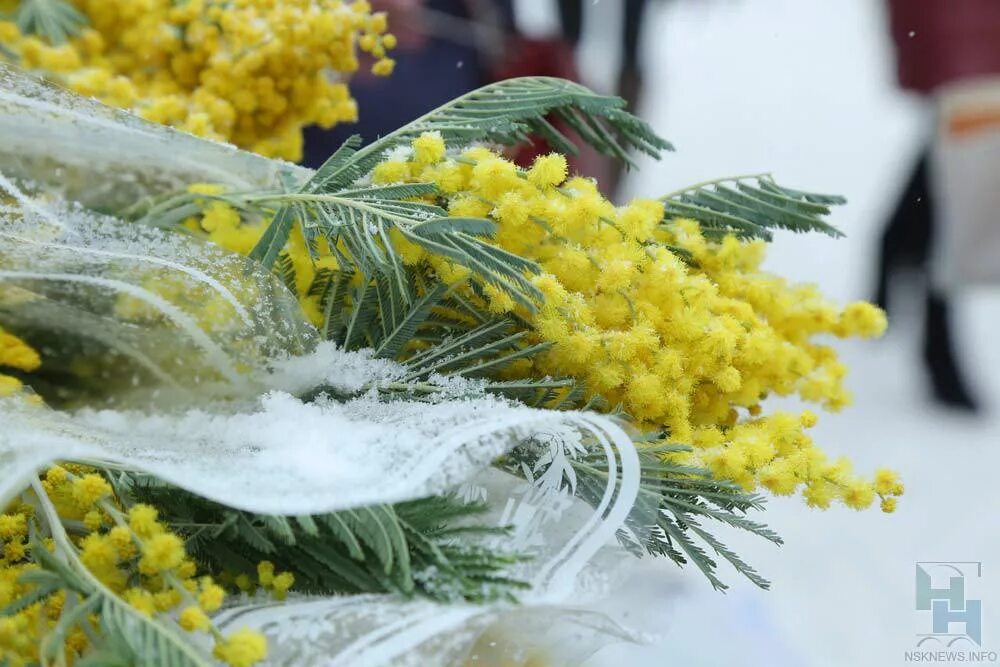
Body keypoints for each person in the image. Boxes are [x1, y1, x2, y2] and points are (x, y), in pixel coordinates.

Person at [876, 0, 1000, 411]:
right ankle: (938, 347)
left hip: (973, 54)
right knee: (958, 187)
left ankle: (891, 248)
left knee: (945, 170)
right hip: (968, 54)